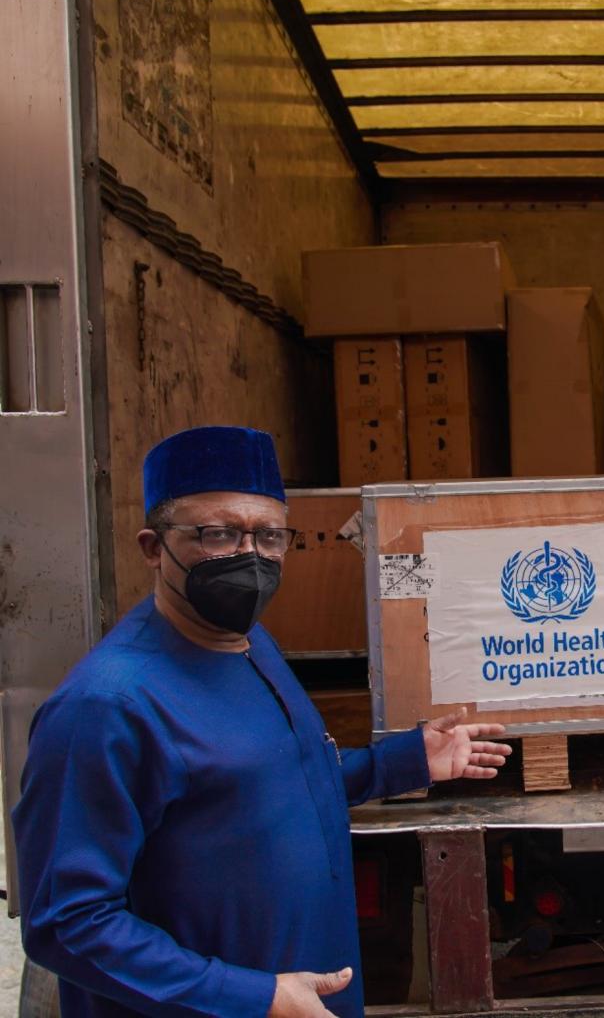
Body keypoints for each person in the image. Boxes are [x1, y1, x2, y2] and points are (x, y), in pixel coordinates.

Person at [13, 426, 513, 1018]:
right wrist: (256, 996)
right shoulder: (106, 708)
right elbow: (68, 922)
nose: (251, 557)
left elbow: (279, 780)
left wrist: (403, 761)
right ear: (153, 547)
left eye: (270, 535)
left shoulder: (252, 645)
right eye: (220, 534)